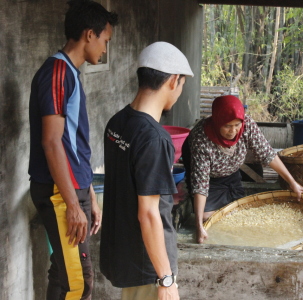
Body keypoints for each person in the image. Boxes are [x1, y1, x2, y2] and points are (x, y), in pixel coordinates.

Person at [28, 1, 118, 299]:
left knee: (63, 272)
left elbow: (72, 144)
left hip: (71, 188)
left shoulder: (70, 74)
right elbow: (52, 142)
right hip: (58, 192)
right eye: (105, 40)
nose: (105, 49)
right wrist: (72, 204)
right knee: (80, 282)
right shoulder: (57, 72)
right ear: (89, 35)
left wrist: (88, 194)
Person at [100, 41, 194, 300]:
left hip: (125, 256)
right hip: (149, 265)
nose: (179, 92)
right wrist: (166, 278)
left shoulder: (117, 122)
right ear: (173, 81)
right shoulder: (154, 138)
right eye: (182, 85)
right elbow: (149, 215)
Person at [182, 95, 303, 244]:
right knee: (205, 217)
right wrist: (198, 224)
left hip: (231, 167)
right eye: (227, 126)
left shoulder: (247, 125)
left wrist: (292, 182)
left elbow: (268, 155)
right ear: (217, 122)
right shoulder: (201, 140)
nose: (233, 131)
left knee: (238, 206)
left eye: (237, 125)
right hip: (208, 174)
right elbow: (201, 184)